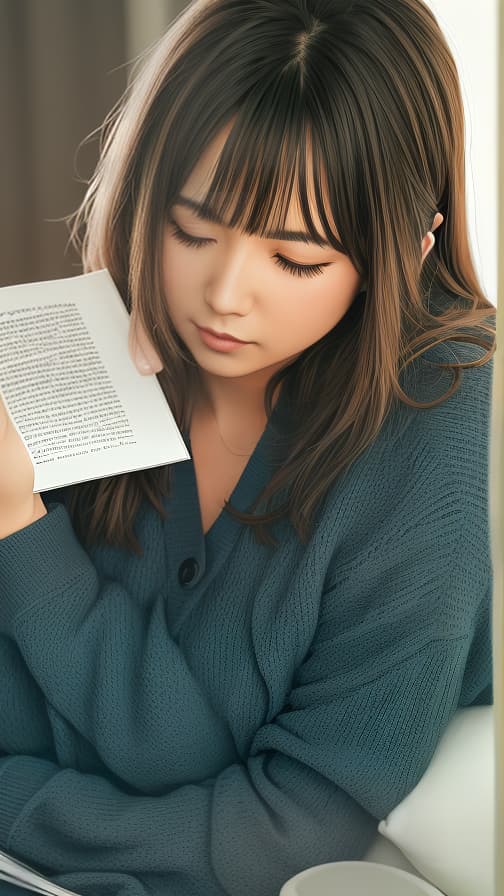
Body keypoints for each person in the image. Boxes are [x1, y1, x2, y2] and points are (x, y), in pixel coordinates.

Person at [0, 0, 496, 894]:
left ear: (410, 248)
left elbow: (288, 831)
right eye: (191, 230)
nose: (223, 295)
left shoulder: (445, 422)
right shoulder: (82, 339)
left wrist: (16, 527)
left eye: (296, 260)